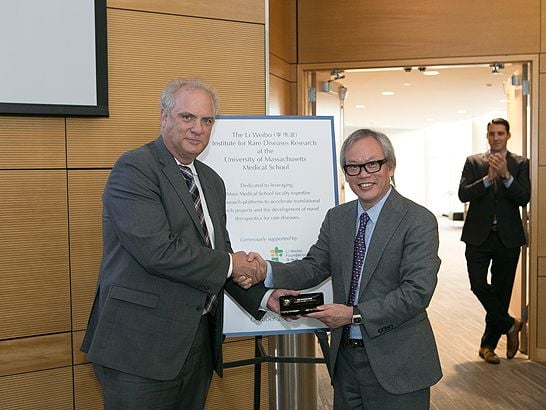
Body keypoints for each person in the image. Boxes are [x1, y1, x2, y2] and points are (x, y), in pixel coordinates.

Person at [80, 78, 267, 409]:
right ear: (164, 116)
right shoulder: (135, 169)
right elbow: (159, 252)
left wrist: (265, 297)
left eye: (207, 120)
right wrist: (232, 264)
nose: (198, 128)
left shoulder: (211, 181)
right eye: (187, 117)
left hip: (197, 343)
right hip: (138, 349)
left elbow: (217, 254)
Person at [261, 129, 442, 409]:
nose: (363, 174)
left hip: (397, 363)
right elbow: (313, 267)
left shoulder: (418, 220)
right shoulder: (338, 218)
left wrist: (353, 315)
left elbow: (416, 293)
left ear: (390, 166)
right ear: (345, 172)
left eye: (373, 164)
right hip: (345, 361)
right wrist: (265, 271)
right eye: (353, 167)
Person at [458, 117, 530, 364]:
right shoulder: (474, 162)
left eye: (500, 133)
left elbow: (524, 198)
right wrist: (488, 179)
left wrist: (506, 176)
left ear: (507, 136)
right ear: (487, 136)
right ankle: (511, 324)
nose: (496, 137)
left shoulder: (520, 163)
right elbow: (463, 194)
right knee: (478, 285)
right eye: (491, 134)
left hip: (508, 238)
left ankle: (487, 346)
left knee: (501, 293)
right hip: (478, 236)